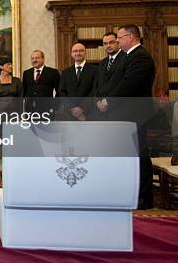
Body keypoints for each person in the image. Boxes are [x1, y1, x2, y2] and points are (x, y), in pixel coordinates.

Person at [96, 25, 155, 209]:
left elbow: (128, 85)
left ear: (130, 37)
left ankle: (143, 198)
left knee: (139, 155)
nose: (118, 41)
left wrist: (108, 101)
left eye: (120, 37)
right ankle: (130, 193)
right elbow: (116, 82)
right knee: (128, 156)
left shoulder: (140, 57)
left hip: (135, 114)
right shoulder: (130, 57)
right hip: (125, 114)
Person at [57, 43, 97, 120]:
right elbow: (62, 92)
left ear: (85, 53)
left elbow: (94, 91)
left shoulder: (95, 70)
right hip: (69, 114)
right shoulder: (66, 72)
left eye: (81, 51)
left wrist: (82, 109)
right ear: (72, 54)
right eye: (75, 51)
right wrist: (72, 108)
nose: (78, 53)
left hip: (89, 113)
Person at [0, 57, 23, 142]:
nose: (11, 66)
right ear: (1, 67)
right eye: (8, 64)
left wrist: (21, 115)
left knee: (14, 137)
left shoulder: (17, 81)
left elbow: (21, 99)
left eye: (11, 64)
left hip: (14, 113)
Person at [93, 31, 126, 119]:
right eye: (105, 43)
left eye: (111, 42)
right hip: (101, 112)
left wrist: (108, 102)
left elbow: (125, 85)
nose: (108, 46)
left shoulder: (126, 59)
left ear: (118, 42)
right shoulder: (102, 63)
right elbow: (96, 85)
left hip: (120, 109)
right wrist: (97, 101)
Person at [22, 50, 60, 116]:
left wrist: (55, 106)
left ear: (43, 59)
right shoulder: (26, 73)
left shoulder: (53, 72)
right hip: (30, 111)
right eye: (32, 58)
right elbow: (23, 91)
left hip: (47, 110)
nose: (34, 60)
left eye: (37, 58)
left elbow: (59, 91)